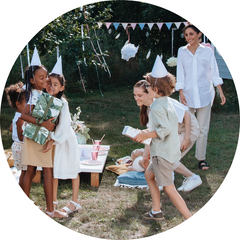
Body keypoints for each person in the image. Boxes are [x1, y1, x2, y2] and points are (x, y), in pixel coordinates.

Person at [133, 56, 192, 221]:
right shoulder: (166, 102)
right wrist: (146, 132)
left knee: (169, 188)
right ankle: (156, 211)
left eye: (149, 85)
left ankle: (189, 218)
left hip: (162, 154)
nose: (147, 87)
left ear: (156, 89)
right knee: (149, 176)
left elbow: (164, 129)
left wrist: (146, 135)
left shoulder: (157, 107)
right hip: (168, 151)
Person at [21, 47, 68, 219]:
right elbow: (25, 115)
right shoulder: (34, 95)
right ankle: (50, 210)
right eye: (41, 78)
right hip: (36, 137)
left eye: (46, 76)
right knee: (45, 170)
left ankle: (31, 207)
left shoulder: (39, 93)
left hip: (38, 136)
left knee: (31, 170)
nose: (46, 79)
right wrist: (45, 123)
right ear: (32, 81)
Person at [132, 79, 202, 192]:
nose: (136, 98)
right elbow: (152, 135)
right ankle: (167, 178)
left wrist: (187, 138)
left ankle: (192, 177)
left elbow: (187, 115)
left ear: (149, 93)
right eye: (135, 95)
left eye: (139, 95)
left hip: (187, 130)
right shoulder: (150, 108)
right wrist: (145, 156)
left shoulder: (163, 102)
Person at [176, 23, 226, 170]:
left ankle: (201, 159)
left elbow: (213, 73)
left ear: (199, 34)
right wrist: (181, 92)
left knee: (203, 129)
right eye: (186, 35)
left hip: (205, 94)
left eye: (191, 34)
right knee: (185, 128)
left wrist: (220, 91)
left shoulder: (208, 52)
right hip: (187, 95)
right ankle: (179, 156)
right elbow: (180, 73)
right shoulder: (182, 51)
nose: (188, 37)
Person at [45, 56, 82, 213]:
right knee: (53, 171)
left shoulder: (63, 103)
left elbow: (64, 126)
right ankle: (53, 200)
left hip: (64, 140)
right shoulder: (46, 100)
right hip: (53, 140)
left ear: (61, 88)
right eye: (49, 83)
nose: (52, 87)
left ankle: (75, 201)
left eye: (55, 84)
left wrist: (53, 140)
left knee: (72, 169)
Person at [5, 82, 27, 189]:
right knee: (25, 173)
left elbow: (10, 128)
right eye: (26, 101)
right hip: (21, 146)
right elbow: (21, 136)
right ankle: (23, 193)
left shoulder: (17, 115)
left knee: (25, 172)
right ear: (18, 104)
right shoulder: (21, 117)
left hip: (17, 146)